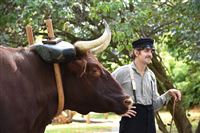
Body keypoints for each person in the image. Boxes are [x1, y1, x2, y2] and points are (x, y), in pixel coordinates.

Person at [112, 38, 181, 133]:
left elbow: (154, 106)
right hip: (130, 126)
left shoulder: (151, 75)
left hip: (150, 126)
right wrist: (118, 110)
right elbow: (104, 93)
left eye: (151, 51)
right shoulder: (122, 72)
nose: (150, 55)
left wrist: (168, 94)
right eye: (146, 51)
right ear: (136, 52)